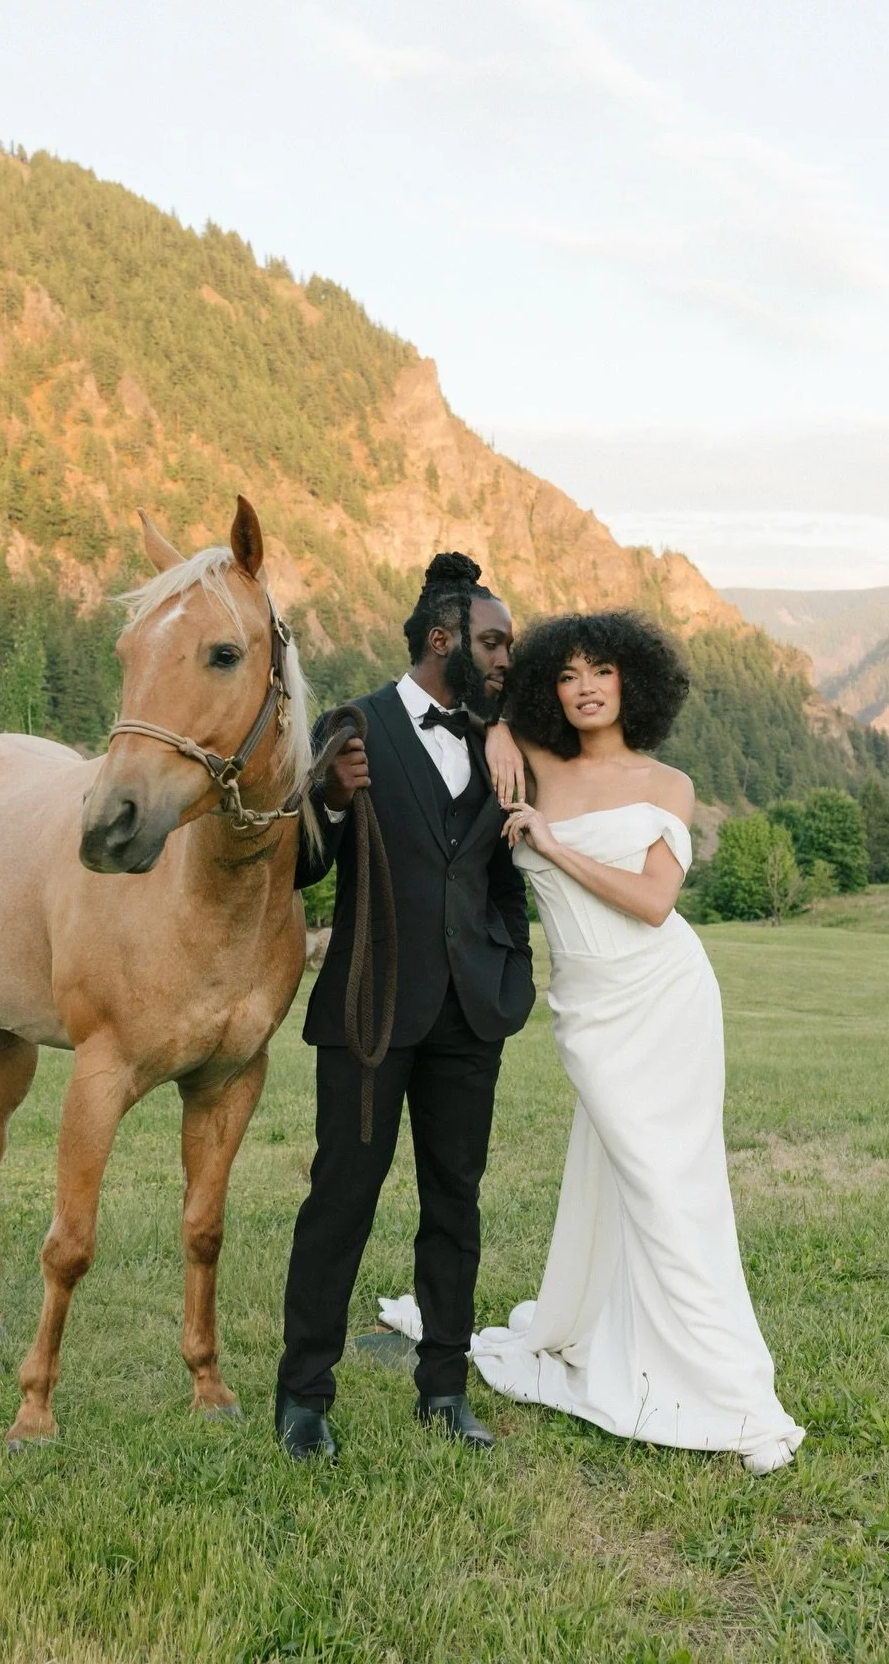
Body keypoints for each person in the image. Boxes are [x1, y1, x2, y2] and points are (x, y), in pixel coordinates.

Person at [379, 610, 804, 1475]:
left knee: (668, 1184)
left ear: (631, 682)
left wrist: (547, 841)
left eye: (600, 670)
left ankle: (729, 1389)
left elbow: (654, 902)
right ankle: (611, 1329)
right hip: (588, 1008)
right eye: (567, 673)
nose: (583, 687)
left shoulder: (668, 783)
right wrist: (500, 727)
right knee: (620, 1175)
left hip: (663, 996)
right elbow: (454, 721)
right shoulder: (534, 759)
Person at [278, 554, 536, 1461]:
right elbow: (300, 868)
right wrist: (334, 803)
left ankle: (443, 1386)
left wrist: (514, 964)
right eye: (495, 642)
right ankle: (303, 1395)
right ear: (443, 638)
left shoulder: (497, 742)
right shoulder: (355, 728)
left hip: (473, 1016)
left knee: (454, 1204)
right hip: (370, 1012)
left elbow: (505, 869)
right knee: (341, 1199)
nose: (509, 657)